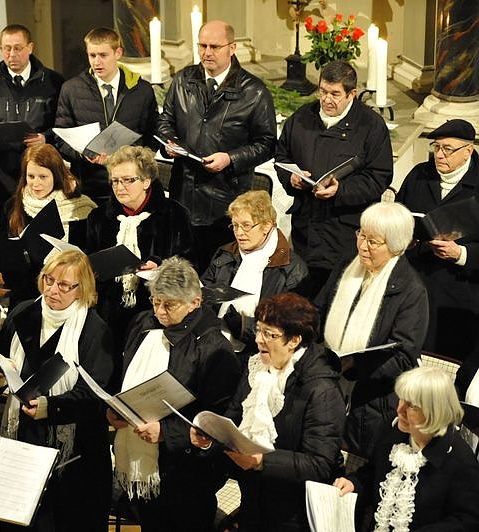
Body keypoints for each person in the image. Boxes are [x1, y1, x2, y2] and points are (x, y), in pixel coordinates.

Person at [192, 292, 345, 532]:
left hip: (294, 513)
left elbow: (320, 464)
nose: (258, 340)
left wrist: (262, 461)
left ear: (294, 340)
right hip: (254, 498)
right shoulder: (257, 368)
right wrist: (210, 437)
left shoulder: (321, 389)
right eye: (258, 330)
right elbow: (234, 417)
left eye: (269, 334)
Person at [0, 249, 114, 532]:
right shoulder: (23, 312)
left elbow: (95, 394)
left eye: (65, 285)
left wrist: (50, 407)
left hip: (74, 454)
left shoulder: (94, 329)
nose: (53, 290)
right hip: (23, 439)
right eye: (49, 280)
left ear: (82, 289)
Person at [110, 257, 240, 532]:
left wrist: (167, 433)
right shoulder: (143, 323)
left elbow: (221, 417)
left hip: (187, 471)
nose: (160, 311)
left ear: (195, 302)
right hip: (144, 456)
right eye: (156, 301)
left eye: (169, 304)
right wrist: (115, 409)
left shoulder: (214, 347)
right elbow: (123, 376)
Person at [157, 20, 276, 271]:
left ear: (232, 48)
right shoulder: (183, 80)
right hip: (183, 195)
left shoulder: (254, 91)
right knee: (181, 272)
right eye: (202, 46)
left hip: (226, 201)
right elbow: (165, 120)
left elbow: (266, 143)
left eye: (214, 46)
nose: (207, 52)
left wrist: (230, 158)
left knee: (218, 273)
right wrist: (170, 142)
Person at [316, 202, 428, 457]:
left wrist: (355, 365)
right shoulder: (348, 264)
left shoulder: (412, 290)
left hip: (370, 400)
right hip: (327, 378)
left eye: (373, 241)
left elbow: (404, 356)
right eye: (361, 235)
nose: (362, 246)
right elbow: (319, 310)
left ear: (396, 245)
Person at [276, 60, 393, 296]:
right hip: (306, 227)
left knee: (338, 296)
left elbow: (378, 176)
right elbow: (281, 155)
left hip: (344, 231)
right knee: (304, 294)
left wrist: (340, 190)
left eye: (335, 94)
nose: (326, 99)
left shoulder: (370, 125)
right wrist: (292, 178)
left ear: (352, 93)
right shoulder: (302, 118)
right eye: (322, 91)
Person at [334, 367, 479, 532]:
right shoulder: (393, 429)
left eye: (412, 406)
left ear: (435, 411)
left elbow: (468, 521)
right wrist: (354, 483)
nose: (400, 410)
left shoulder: (461, 459)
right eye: (401, 399)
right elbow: (372, 473)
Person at [85, 146, 193, 353]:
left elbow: (190, 263)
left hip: (154, 310)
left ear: (146, 181)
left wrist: (160, 265)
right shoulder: (99, 218)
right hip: (107, 311)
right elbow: (90, 260)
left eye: (128, 180)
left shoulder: (173, 214)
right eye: (115, 181)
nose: (120, 187)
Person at [396, 119, 479, 361]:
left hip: (459, 291)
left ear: (467, 151)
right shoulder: (419, 175)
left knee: (444, 361)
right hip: (415, 281)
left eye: (448, 149)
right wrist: (404, 237)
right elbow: (399, 214)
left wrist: (461, 254)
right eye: (437, 147)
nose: (440, 155)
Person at [0, 24, 65, 222]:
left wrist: (45, 138)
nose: (12, 54)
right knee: (8, 230)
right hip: (2, 176)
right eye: (7, 48)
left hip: (43, 172)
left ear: (30, 47)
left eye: (18, 48)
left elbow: (65, 126)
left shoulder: (54, 82)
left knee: (45, 229)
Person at [54, 27, 158, 205]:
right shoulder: (71, 90)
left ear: (118, 53)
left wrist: (128, 157)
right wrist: (84, 154)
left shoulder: (141, 90)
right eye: (92, 55)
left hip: (131, 185)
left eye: (103, 55)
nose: (97, 62)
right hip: (89, 185)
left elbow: (152, 136)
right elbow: (60, 138)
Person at [201, 190, 308, 356]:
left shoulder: (292, 269)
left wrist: (244, 327)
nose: (239, 232)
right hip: (210, 342)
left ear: (267, 225)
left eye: (246, 225)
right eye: (235, 225)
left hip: (257, 353)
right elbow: (203, 294)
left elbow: (289, 327)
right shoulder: (225, 254)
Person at [3, 144, 96, 307]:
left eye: (43, 177)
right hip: (26, 291)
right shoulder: (14, 205)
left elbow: (88, 255)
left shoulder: (78, 208)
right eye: (31, 176)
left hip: (69, 293)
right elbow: (5, 251)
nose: (35, 183)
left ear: (56, 176)